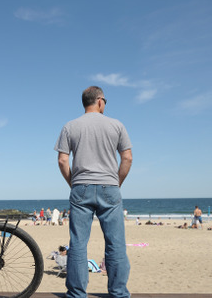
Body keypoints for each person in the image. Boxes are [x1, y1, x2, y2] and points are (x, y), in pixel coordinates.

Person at [55, 86, 133, 298]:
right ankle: (118, 293)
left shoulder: (70, 126)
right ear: (100, 101)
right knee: (115, 243)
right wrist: (117, 182)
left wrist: (74, 183)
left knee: (78, 243)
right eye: (105, 101)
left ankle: (77, 294)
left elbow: (62, 160)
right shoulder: (116, 125)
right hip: (109, 186)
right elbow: (127, 158)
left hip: (81, 187)